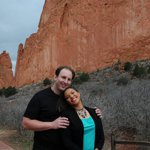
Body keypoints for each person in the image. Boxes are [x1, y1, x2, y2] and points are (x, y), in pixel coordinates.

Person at [22, 66, 102, 150]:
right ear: (55, 77)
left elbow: (80, 110)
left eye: (69, 79)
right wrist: (52, 125)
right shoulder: (40, 97)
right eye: (63, 77)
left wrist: (94, 112)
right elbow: (26, 123)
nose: (65, 81)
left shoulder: (69, 98)